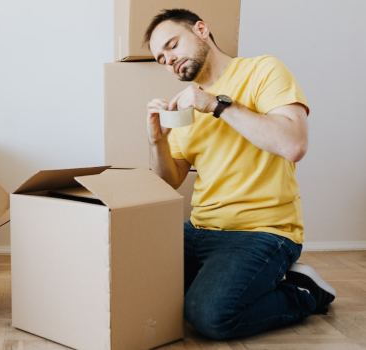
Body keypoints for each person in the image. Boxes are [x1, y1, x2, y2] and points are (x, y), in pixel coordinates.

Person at [143, 9, 336, 340]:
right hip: (199, 228)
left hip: (262, 231)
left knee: (209, 316)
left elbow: (293, 145)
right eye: (161, 58)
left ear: (201, 30)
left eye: (172, 45)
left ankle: (302, 292)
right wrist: (156, 140)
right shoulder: (185, 106)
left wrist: (217, 105)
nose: (169, 60)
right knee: (134, 283)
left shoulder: (263, 70)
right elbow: (170, 180)